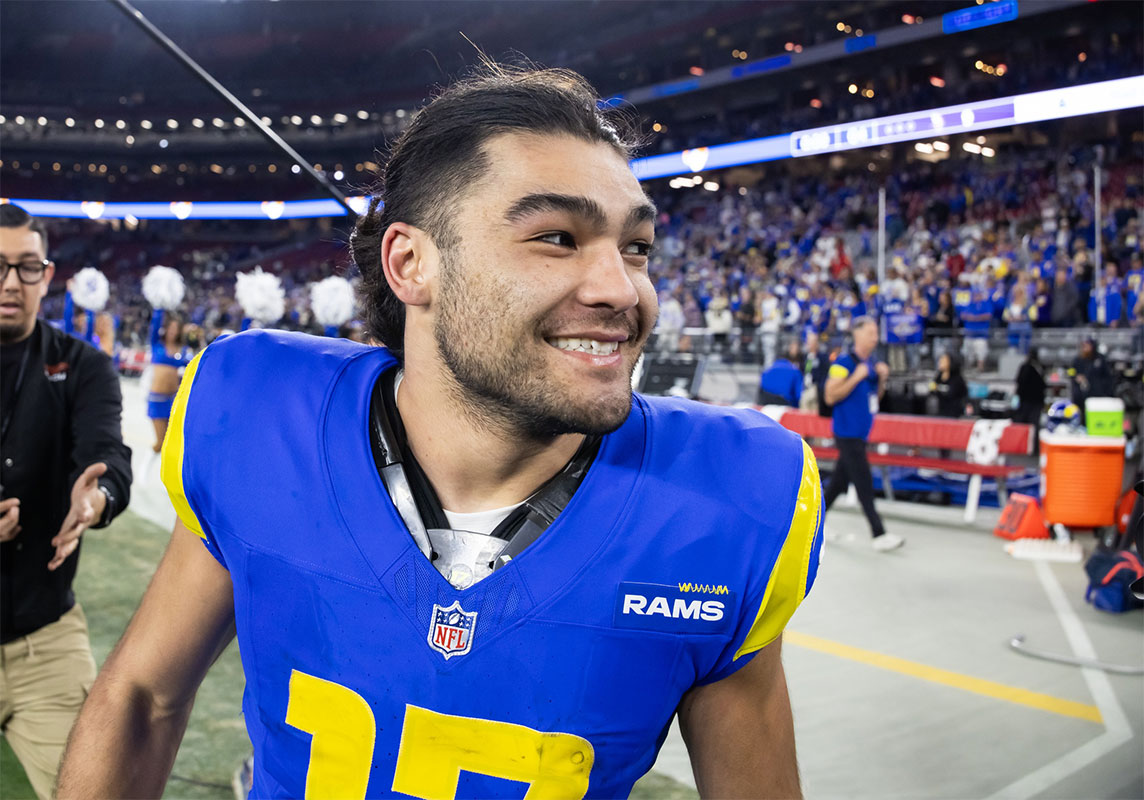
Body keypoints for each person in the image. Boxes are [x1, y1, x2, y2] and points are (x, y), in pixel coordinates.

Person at [58, 65, 823, 799]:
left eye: (636, 247)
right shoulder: (262, 415)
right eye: (557, 238)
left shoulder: (731, 502)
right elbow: (142, 700)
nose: (624, 289)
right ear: (411, 263)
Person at [0, 203, 133, 800]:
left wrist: (96, 498)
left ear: (47, 275)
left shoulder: (85, 367)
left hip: (45, 645)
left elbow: (109, 459)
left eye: (27, 268)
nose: (11, 283)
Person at [821, 317, 903, 551]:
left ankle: (813, 524)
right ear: (857, 335)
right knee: (864, 483)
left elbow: (874, 397)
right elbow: (830, 396)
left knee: (837, 484)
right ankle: (879, 533)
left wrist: (882, 379)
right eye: (870, 333)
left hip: (861, 432)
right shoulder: (844, 363)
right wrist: (856, 376)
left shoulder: (873, 364)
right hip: (846, 432)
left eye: (876, 333)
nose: (875, 337)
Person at [146, 307, 191, 453]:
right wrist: (159, 307)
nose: (173, 331)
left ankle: (165, 475)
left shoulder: (182, 349)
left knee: (173, 444)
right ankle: (144, 470)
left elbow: (191, 367)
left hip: (173, 400)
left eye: (176, 328)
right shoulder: (156, 344)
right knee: (160, 444)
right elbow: (154, 326)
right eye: (170, 327)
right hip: (157, 399)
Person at [1068, 337, 1116, 412]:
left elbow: (1108, 376)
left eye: (1087, 346)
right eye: (1084, 346)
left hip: (1098, 395)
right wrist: (1076, 376)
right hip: (1081, 395)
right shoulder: (1077, 360)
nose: (1085, 348)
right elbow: (1070, 371)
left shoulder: (1100, 359)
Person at [931, 353, 969, 418]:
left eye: (943, 361)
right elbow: (932, 391)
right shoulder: (938, 377)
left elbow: (952, 395)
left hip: (954, 413)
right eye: (940, 361)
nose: (940, 363)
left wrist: (938, 390)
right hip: (941, 411)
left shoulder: (957, 378)